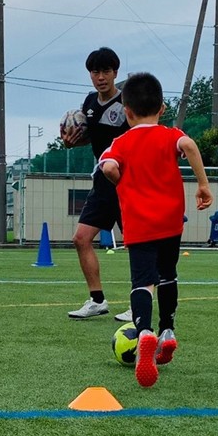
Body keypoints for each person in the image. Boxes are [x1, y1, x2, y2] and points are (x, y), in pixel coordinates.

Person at [100, 72, 213, 388]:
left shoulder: (120, 142)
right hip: (170, 221)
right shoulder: (170, 135)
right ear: (162, 108)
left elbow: (108, 166)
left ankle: (145, 333)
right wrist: (203, 184)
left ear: (127, 112)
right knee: (168, 275)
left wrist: (119, 179)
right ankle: (167, 332)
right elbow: (188, 144)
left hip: (139, 223)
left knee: (142, 282)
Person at [62, 47, 132, 321]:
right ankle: (97, 300)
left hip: (127, 181)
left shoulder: (127, 102)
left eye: (106, 71)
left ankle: (138, 303)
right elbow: (92, 137)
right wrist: (72, 141)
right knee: (81, 239)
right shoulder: (90, 103)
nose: (100, 77)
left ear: (115, 73)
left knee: (136, 244)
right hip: (103, 181)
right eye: (95, 72)